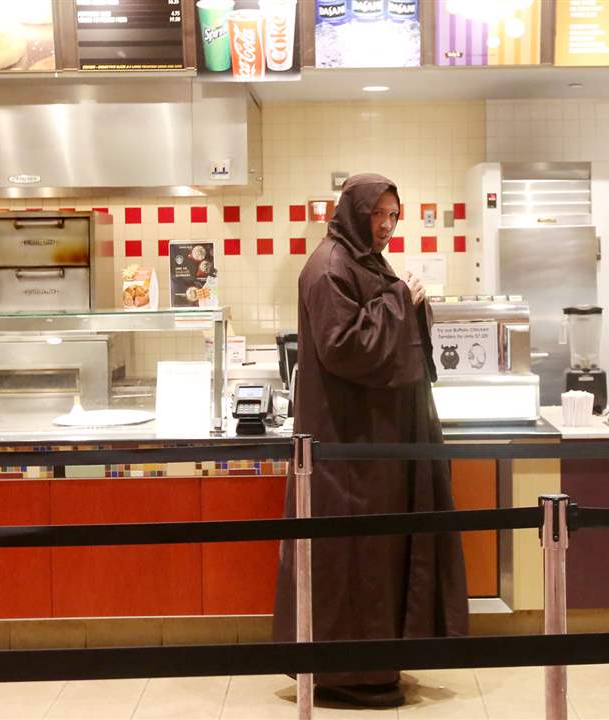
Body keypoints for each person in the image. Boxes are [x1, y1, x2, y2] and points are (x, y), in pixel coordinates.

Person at [272, 173, 469, 708]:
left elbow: (381, 323)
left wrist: (405, 300)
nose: (385, 225)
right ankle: (346, 673)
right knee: (352, 560)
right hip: (348, 452)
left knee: (375, 557)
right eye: (377, 214)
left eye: (392, 215)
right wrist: (402, 297)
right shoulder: (330, 267)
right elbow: (345, 346)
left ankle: (376, 664)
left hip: (373, 446)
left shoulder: (363, 261)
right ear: (354, 213)